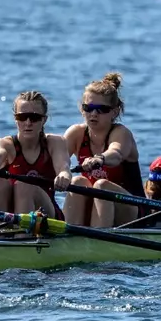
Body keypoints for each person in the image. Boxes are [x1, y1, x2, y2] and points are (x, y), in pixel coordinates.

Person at [55, 71, 143, 228]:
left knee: (101, 185)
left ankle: (98, 240)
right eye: (88, 108)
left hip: (133, 211)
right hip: (97, 206)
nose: (93, 114)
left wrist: (100, 159)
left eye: (101, 109)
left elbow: (116, 153)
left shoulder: (121, 133)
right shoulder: (76, 133)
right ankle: (70, 237)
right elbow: (58, 159)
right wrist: (62, 173)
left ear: (114, 112)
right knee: (78, 181)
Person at [0, 90, 62, 220]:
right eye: (22, 117)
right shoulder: (6, 144)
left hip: (47, 215)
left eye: (34, 118)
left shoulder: (54, 143)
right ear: (15, 119)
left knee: (24, 186)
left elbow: (63, 166)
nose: (28, 123)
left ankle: (21, 237)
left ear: (44, 120)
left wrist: (64, 176)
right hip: (11, 216)